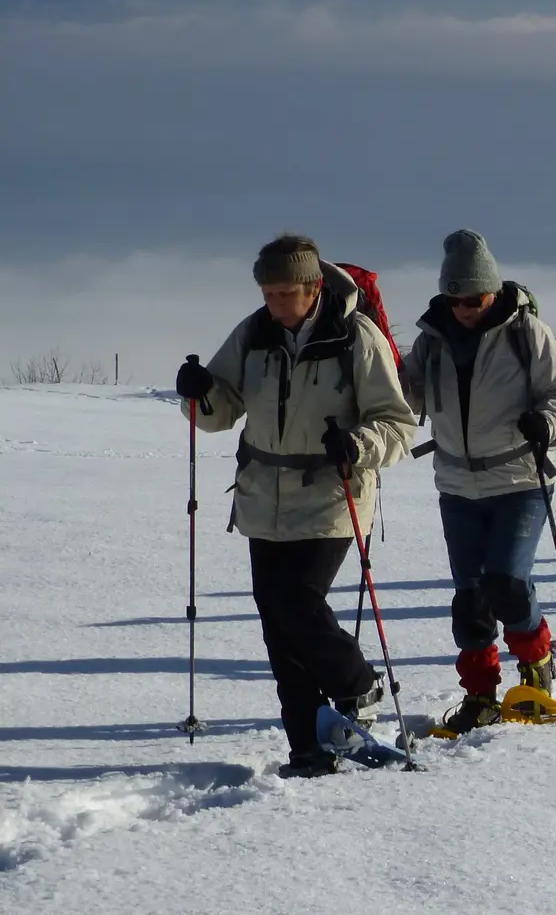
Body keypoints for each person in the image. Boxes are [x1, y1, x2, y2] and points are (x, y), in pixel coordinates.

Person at [174, 235, 415, 778]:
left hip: (332, 494)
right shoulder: (253, 332)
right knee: (278, 629)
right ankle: (307, 748)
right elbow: (220, 411)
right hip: (263, 497)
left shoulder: (356, 336)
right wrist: (200, 392)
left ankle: (358, 684)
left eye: (286, 292)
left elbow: (398, 424)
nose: (276, 303)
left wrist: (358, 444)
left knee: (293, 601)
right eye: (268, 292)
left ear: (313, 288)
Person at [401, 231, 556, 735]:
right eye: (454, 298)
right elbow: (406, 393)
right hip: (456, 483)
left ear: (492, 292)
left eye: (473, 299)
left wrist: (545, 421)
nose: (463, 308)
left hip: (520, 479)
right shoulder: (432, 338)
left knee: (506, 580)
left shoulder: (526, 332)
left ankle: (536, 668)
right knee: (470, 597)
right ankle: (480, 695)